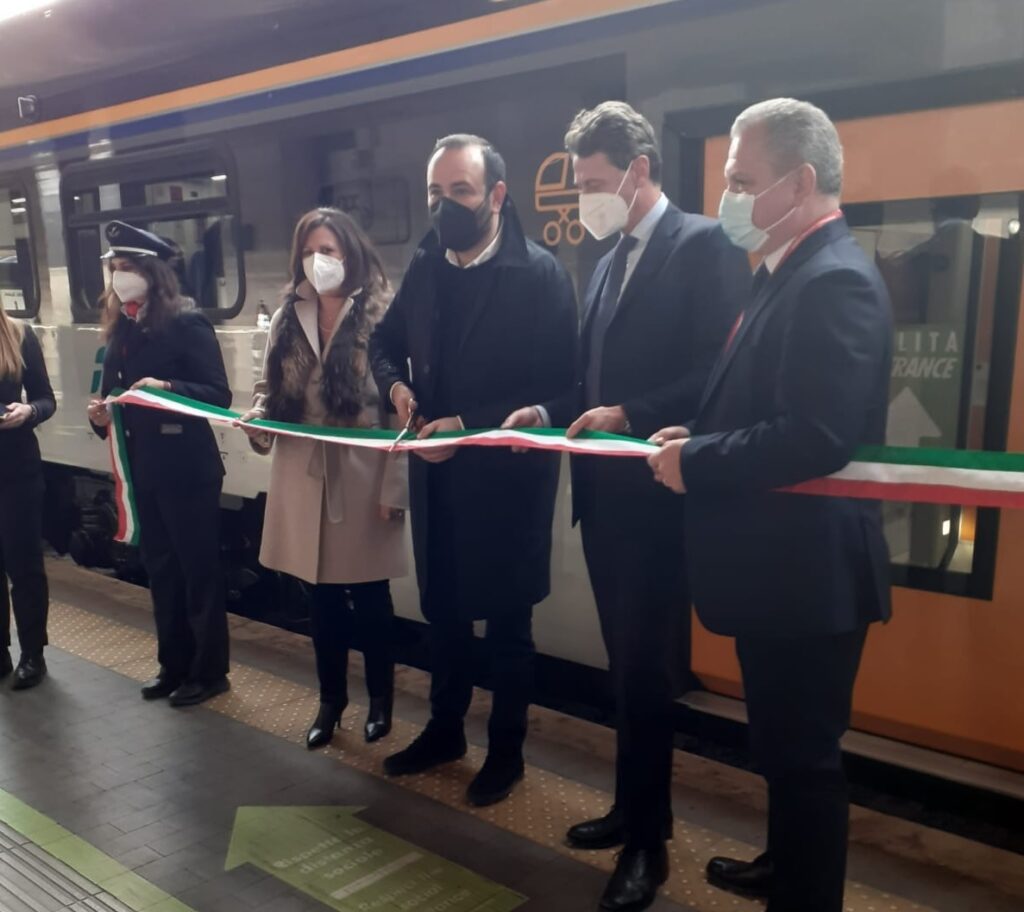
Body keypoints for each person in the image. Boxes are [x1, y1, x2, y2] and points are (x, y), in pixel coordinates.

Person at [647, 98, 892, 912]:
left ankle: (807, 895)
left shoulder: (836, 282)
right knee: (781, 746)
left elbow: (816, 434)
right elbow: (769, 403)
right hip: (778, 569)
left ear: (803, 181)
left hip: (806, 574)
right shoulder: (789, 271)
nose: (730, 200)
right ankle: (785, 865)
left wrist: (698, 461)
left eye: (742, 181)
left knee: (806, 758)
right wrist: (701, 427)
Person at [505, 100, 750, 912]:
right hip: (606, 505)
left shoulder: (704, 245)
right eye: (582, 185)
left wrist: (630, 416)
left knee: (646, 677)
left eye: (596, 183)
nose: (586, 200)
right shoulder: (609, 259)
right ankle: (631, 807)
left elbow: (719, 373)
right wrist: (550, 409)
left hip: (658, 505)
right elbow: (592, 380)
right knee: (625, 674)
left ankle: (649, 848)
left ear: (641, 172)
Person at [370, 134, 576, 807]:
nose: (444, 207)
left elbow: (565, 386)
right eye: (435, 194)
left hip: (507, 486)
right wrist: (396, 388)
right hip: (439, 479)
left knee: (509, 627)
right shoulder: (426, 266)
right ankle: (445, 730)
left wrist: (475, 422)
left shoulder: (539, 275)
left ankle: (507, 753)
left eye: (458, 192)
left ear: (496, 196)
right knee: (445, 616)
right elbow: (384, 344)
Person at [239, 208, 408, 747]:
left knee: (373, 597)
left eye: (330, 250)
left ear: (350, 253)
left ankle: (381, 702)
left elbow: (401, 410)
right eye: (311, 251)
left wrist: (395, 489)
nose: (320, 261)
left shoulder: (383, 311)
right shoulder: (291, 312)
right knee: (322, 601)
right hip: (303, 474)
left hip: (363, 475)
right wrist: (259, 420)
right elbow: (270, 390)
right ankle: (330, 702)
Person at [87, 220, 232, 707]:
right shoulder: (122, 328)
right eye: (115, 268)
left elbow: (217, 395)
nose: (119, 276)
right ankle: (173, 665)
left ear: (152, 272)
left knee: (198, 572)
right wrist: (99, 415)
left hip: (188, 471)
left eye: (127, 267)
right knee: (162, 569)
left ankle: (210, 672)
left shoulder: (187, 322)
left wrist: (168, 389)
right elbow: (111, 397)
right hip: (144, 469)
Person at [0, 307, 55, 689]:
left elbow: (46, 398)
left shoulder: (19, 334)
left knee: (24, 566)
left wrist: (29, 411)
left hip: (17, 469)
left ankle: (33, 653)